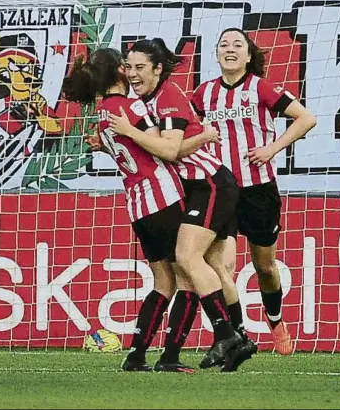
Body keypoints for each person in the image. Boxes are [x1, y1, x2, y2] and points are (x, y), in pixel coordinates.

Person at [63, 47, 238, 373]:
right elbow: (166, 149)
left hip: (138, 205)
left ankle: (136, 355)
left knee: (163, 283)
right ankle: (215, 338)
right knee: (188, 275)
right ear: (119, 73)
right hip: (163, 197)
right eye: (127, 67)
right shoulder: (131, 107)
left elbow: (131, 149)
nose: (131, 73)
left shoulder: (103, 113)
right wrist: (201, 138)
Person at [109, 38, 254, 371]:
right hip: (192, 189)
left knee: (187, 258)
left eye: (140, 67)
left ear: (158, 69)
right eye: (128, 67)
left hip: (210, 184)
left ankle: (227, 335)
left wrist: (130, 131)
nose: (132, 74)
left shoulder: (169, 96)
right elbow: (156, 148)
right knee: (214, 266)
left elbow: (171, 150)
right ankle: (239, 340)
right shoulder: (145, 100)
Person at [192, 28, 317, 355]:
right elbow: (182, 128)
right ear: (217, 54)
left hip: (259, 190)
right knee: (222, 265)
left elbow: (306, 119)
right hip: (222, 191)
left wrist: (272, 148)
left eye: (237, 45)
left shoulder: (259, 88)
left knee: (265, 268)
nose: (229, 50)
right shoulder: (203, 94)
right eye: (223, 45)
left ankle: (275, 322)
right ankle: (235, 336)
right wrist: (199, 135)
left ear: (248, 56)